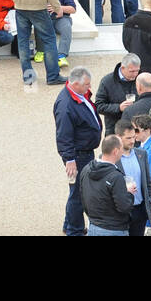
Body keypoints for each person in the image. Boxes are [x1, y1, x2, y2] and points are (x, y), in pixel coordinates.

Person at [53, 66, 102, 236]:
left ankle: (70, 225)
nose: (89, 87)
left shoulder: (77, 95)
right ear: (75, 84)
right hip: (78, 155)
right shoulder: (66, 105)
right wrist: (70, 159)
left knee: (77, 191)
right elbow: (63, 135)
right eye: (86, 85)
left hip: (83, 152)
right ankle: (75, 230)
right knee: (79, 194)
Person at [80, 133, 137, 236]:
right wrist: (128, 193)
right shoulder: (115, 177)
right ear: (115, 151)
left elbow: (83, 197)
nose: (123, 151)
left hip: (93, 227)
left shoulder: (86, 169)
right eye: (121, 149)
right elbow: (124, 207)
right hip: (114, 230)